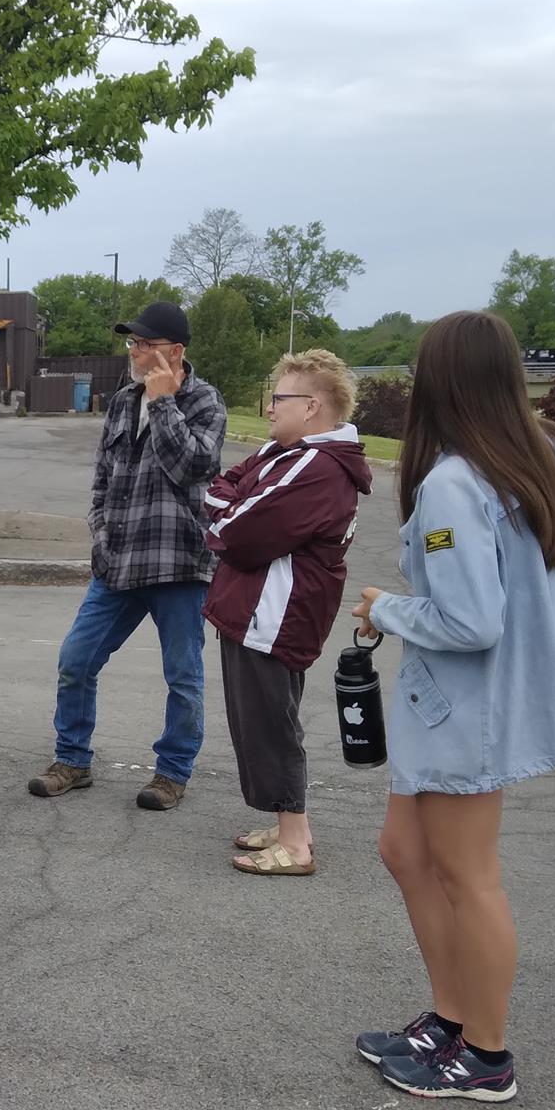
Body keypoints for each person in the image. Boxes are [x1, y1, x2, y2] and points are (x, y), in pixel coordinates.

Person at [350, 310, 555, 1102]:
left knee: (467, 872)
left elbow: (468, 620)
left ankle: (486, 1054)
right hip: (446, 705)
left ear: (438, 382)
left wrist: (386, 606)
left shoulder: (458, 479)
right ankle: (452, 1018)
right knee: (405, 851)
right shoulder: (545, 449)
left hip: (465, 707)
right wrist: (550, 588)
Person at [29, 300, 227, 810]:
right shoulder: (120, 402)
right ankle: (72, 760)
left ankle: (171, 774)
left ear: (176, 351)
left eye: (146, 344)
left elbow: (192, 467)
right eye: (133, 343)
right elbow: (102, 478)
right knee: (76, 660)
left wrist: (164, 403)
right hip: (117, 562)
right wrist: (99, 531)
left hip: (179, 564)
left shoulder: (205, 402)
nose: (136, 352)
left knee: (183, 677)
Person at [203, 349, 372, 876]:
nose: (270, 408)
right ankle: (285, 822)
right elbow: (224, 485)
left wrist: (227, 510)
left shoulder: (316, 467)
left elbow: (237, 531)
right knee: (259, 720)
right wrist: (230, 503)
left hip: (274, 615)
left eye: (279, 398)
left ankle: (296, 843)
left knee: (271, 724)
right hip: (258, 611)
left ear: (313, 405)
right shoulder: (286, 455)